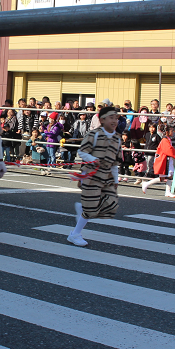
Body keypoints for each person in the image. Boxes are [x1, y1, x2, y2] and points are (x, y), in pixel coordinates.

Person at [67, 106, 123, 247]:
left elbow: (115, 162)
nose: (114, 121)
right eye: (111, 117)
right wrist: (93, 159)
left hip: (107, 176)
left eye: (116, 118)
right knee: (92, 208)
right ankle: (75, 234)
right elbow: (82, 152)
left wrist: (116, 180)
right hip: (91, 174)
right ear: (102, 119)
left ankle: (82, 209)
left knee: (109, 204)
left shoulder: (117, 138)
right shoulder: (94, 134)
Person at [141, 125, 175, 198]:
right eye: (171, 130)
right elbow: (168, 150)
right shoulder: (165, 140)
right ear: (167, 132)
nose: (173, 132)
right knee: (167, 176)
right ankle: (166, 191)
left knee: (166, 177)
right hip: (165, 160)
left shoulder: (167, 139)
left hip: (166, 159)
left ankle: (167, 191)